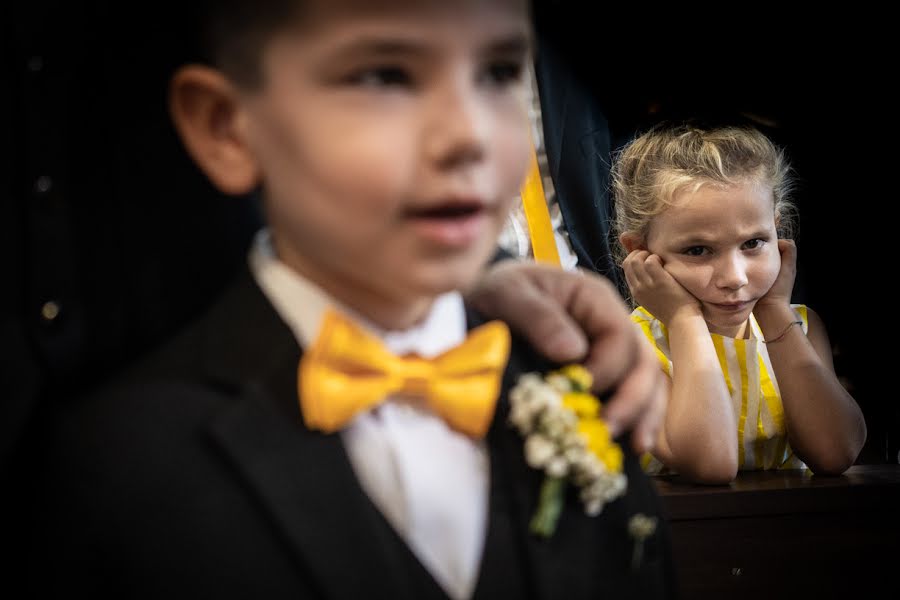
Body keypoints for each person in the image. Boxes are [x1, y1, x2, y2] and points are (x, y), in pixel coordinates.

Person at [26, 1, 674, 598]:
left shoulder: (583, 391)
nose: (468, 135)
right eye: (384, 78)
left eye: (500, 72)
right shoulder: (120, 470)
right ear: (227, 127)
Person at [611, 122, 867, 484]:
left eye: (753, 243)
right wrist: (684, 319)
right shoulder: (629, 345)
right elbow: (710, 464)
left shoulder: (801, 327)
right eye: (697, 250)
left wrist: (775, 312)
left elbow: (836, 451)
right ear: (640, 253)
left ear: (778, 233)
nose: (735, 277)